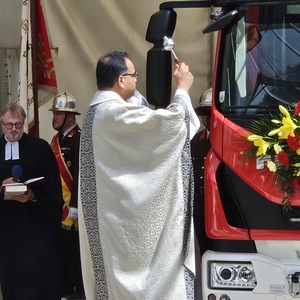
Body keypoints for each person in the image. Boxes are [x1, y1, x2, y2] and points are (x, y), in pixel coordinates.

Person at [78, 50, 200, 300]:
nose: (136, 80)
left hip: (112, 222)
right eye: (134, 75)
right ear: (121, 80)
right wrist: (183, 89)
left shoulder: (98, 112)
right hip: (117, 229)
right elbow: (175, 126)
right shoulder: (113, 112)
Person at [0, 102, 64, 300]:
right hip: (6, 228)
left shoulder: (40, 147)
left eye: (18, 125)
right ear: (2, 124)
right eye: (9, 125)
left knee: (38, 281)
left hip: (35, 226)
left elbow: (54, 188)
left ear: (24, 123)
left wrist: (33, 195)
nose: (13, 130)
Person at [49, 91, 85, 300]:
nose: (54, 117)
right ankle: (67, 286)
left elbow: (81, 174)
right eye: (54, 113)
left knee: (76, 252)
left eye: (58, 113)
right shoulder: (56, 140)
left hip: (73, 207)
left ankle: (80, 290)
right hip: (59, 207)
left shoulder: (78, 139)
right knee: (62, 249)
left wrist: (75, 204)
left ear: (70, 116)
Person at [192, 88, 213, 255]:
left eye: (211, 112)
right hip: (200, 206)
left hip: (222, 206)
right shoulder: (195, 142)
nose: (208, 117)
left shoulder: (230, 140)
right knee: (205, 250)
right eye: (204, 112)